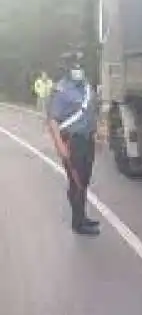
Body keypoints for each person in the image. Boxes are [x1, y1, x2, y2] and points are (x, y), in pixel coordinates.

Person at [47, 53, 100, 236]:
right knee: (76, 181)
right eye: (74, 65)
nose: (78, 68)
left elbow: (93, 110)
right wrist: (60, 146)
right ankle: (77, 223)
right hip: (72, 141)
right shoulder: (61, 90)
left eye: (80, 64)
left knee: (84, 180)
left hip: (87, 140)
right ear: (67, 67)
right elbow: (53, 120)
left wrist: (98, 131)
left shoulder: (86, 86)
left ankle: (82, 216)